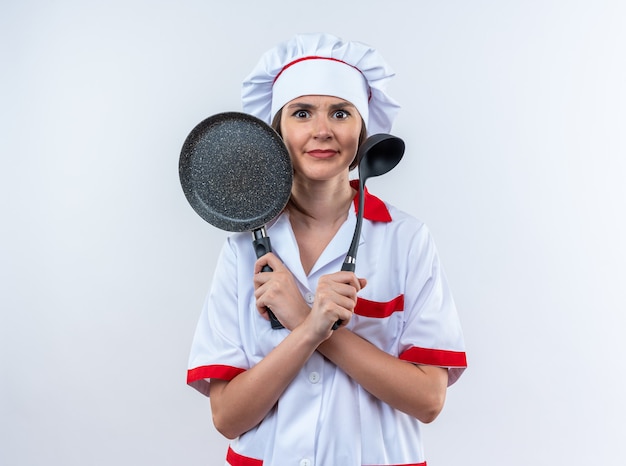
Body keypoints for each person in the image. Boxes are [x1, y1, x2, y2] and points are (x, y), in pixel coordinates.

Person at [187, 33, 467, 466]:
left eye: (340, 112)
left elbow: (428, 400)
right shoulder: (242, 248)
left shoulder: (406, 239)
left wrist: (303, 319)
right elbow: (227, 417)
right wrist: (312, 328)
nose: (322, 131)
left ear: (363, 130)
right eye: (302, 113)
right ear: (276, 132)